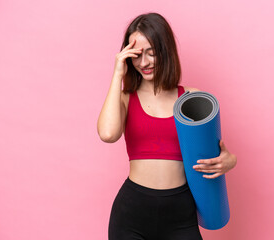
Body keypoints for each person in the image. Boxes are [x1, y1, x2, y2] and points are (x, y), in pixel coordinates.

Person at [97, 12, 237, 240]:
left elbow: (218, 152)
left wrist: (230, 161)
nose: (144, 63)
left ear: (166, 50)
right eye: (137, 55)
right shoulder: (125, 98)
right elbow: (108, 133)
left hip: (180, 214)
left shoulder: (192, 98)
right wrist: (117, 73)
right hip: (132, 213)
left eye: (152, 53)